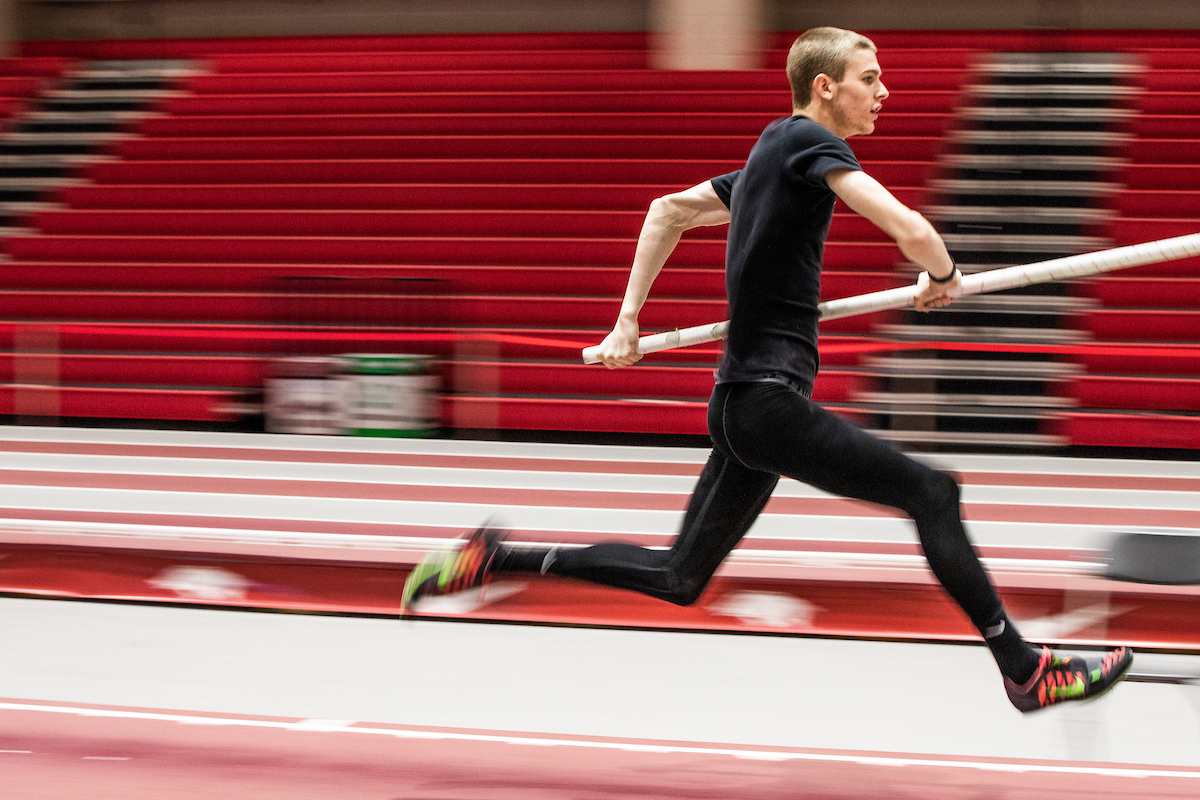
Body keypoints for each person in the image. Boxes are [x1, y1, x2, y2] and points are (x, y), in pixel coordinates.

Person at [403, 27, 1132, 713]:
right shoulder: (810, 144)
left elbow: (667, 211)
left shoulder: (768, 158)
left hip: (741, 404)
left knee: (679, 577)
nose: (884, 92)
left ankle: (496, 557)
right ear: (824, 87)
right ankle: (1025, 668)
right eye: (870, 78)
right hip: (766, 403)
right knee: (933, 493)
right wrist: (942, 272)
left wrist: (628, 322)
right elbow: (911, 229)